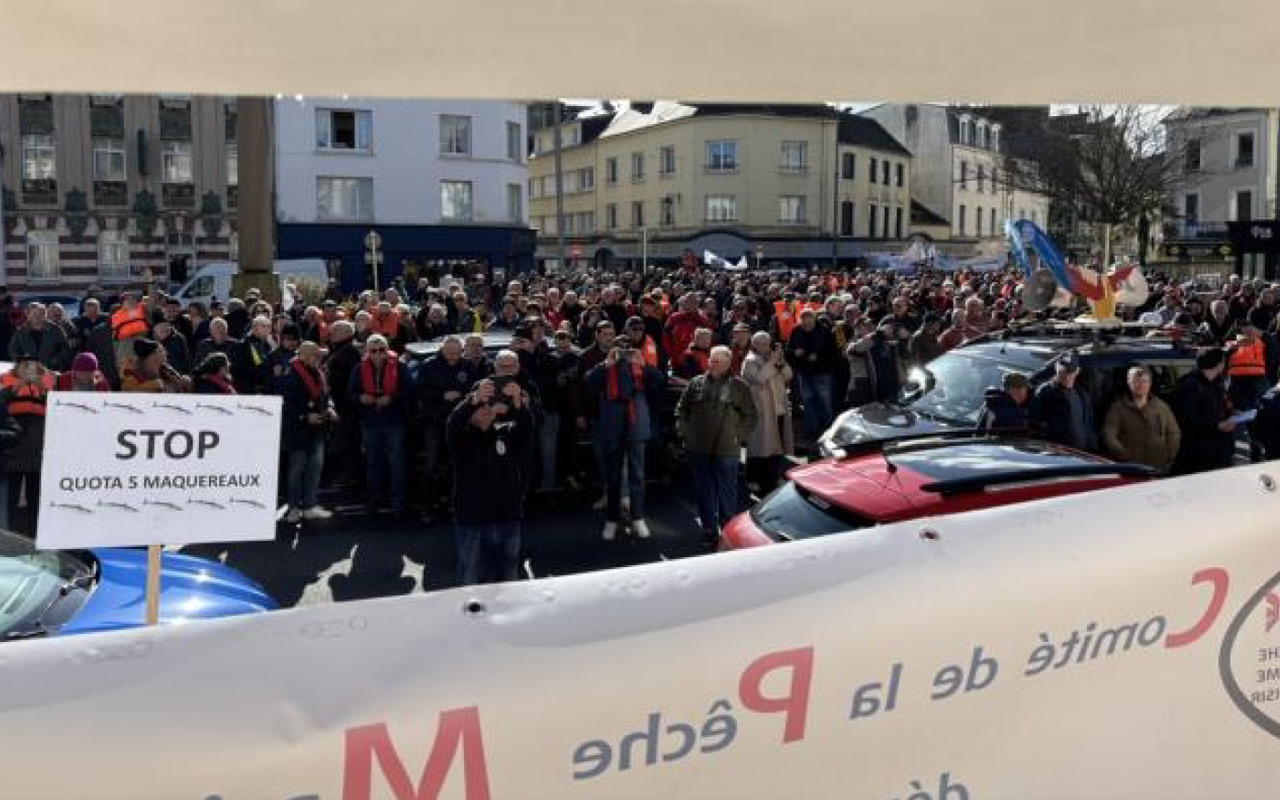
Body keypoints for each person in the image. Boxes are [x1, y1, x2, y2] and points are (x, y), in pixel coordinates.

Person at [447, 376, 535, 585]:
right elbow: (454, 422)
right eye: (481, 406)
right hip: (473, 519)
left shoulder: (505, 433)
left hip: (507, 516)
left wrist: (518, 404)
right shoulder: (462, 436)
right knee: (470, 576)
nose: (486, 409)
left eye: (489, 405)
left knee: (507, 575)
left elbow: (527, 429)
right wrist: (473, 400)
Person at [677, 345, 758, 549]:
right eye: (711, 360)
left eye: (718, 361)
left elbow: (750, 416)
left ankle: (728, 530)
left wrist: (737, 437)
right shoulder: (696, 383)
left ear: (728, 363)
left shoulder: (739, 386)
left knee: (727, 492)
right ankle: (709, 530)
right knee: (704, 491)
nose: (712, 365)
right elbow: (681, 409)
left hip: (726, 449)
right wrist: (684, 432)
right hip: (698, 448)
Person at [585, 342, 665, 540]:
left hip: (636, 423)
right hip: (612, 424)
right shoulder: (606, 368)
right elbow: (588, 382)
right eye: (619, 351)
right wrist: (606, 364)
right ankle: (612, 519)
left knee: (637, 474)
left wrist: (643, 364)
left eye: (627, 351)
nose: (623, 356)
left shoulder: (640, 368)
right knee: (613, 476)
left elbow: (660, 380)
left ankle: (638, 517)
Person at [349, 334, 408, 515]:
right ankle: (375, 499)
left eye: (382, 350)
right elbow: (350, 394)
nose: (378, 354)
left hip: (394, 422)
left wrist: (391, 398)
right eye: (373, 351)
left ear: (387, 349)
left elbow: (409, 391)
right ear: (367, 351)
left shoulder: (400, 367)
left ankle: (399, 502)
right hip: (370, 422)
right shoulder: (359, 369)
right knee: (373, 463)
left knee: (397, 464)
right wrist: (360, 398)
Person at [418, 335, 478, 509]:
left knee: (460, 464)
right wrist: (441, 396)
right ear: (442, 350)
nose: (452, 355)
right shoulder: (428, 366)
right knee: (431, 464)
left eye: (456, 352)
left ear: (461, 351)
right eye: (449, 352)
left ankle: (458, 503)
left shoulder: (468, 366)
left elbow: (475, 390)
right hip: (434, 422)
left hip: (461, 424)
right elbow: (419, 391)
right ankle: (428, 506)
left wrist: (464, 396)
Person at [281, 341, 338, 522]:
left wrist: (330, 408)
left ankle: (310, 505)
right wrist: (305, 416)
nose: (319, 358)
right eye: (315, 355)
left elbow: (326, 395)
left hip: (318, 428)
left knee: (315, 467)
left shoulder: (319, 372)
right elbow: (286, 403)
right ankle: (293, 508)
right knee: (296, 470)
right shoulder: (290, 374)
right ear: (303, 356)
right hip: (298, 431)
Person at [1, 355, 53, 535]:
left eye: (32, 365)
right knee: (11, 499)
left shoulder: (48, 382)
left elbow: (58, 405)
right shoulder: (6, 381)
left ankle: (33, 535)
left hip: (37, 451)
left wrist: (41, 387)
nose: (28, 369)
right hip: (13, 452)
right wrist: (16, 387)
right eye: (25, 365)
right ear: (18, 366)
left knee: (34, 499)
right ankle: (11, 535)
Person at [1101, 365, 1181, 473]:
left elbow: (1174, 434)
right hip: (1130, 469)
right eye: (1136, 381)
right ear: (1129, 383)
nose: (1141, 385)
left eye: (1145, 381)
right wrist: (1124, 455)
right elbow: (1109, 435)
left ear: (1150, 383)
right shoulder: (1118, 408)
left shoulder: (1162, 407)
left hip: (1158, 469)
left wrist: (1168, 457)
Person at [740, 332, 793, 493]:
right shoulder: (749, 360)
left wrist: (781, 362)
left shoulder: (773, 357)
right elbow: (760, 378)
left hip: (777, 407)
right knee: (759, 447)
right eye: (762, 343)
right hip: (761, 409)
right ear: (754, 345)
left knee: (776, 447)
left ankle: (772, 478)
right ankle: (753, 479)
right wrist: (772, 361)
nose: (766, 346)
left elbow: (789, 375)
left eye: (768, 343)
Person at [1172, 348, 1236, 475]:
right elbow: (1188, 420)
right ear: (1218, 364)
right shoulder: (1189, 386)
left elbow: (1220, 409)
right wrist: (1217, 425)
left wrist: (1232, 414)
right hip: (1197, 456)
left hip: (1219, 453)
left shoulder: (1216, 383)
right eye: (1223, 361)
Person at [786, 308, 837, 441]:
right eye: (804, 323)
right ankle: (812, 431)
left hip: (822, 373)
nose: (806, 326)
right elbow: (789, 349)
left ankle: (829, 430)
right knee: (808, 403)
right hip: (804, 372)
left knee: (825, 402)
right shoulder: (795, 331)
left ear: (814, 320)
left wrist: (819, 357)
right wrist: (794, 352)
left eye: (809, 323)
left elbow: (834, 352)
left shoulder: (825, 331)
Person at [1028, 353, 1096, 451]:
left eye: (1070, 372)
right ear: (1056, 370)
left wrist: (1092, 447)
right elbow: (1035, 425)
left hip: (1082, 454)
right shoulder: (1045, 392)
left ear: (1077, 371)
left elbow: (1088, 426)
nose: (1066, 376)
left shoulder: (1082, 394)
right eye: (1062, 372)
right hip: (1057, 455)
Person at [9, 303, 70, 371]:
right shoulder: (21, 332)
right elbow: (13, 350)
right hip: (28, 371)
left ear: (45, 315)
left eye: (41, 313)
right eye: (34, 314)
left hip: (50, 370)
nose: (38, 316)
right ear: (28, 315)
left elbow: (65, 349)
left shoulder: (55, 329)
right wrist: (23, 362)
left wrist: (55, 362)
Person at [121, 338, 191, 393]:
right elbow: (130, 391)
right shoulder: (131, 376)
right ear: (146, 358)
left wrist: (184, 384)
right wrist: (156, 385)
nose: (165, 355)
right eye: (160, 352)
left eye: (164, 352)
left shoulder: (167, 374)